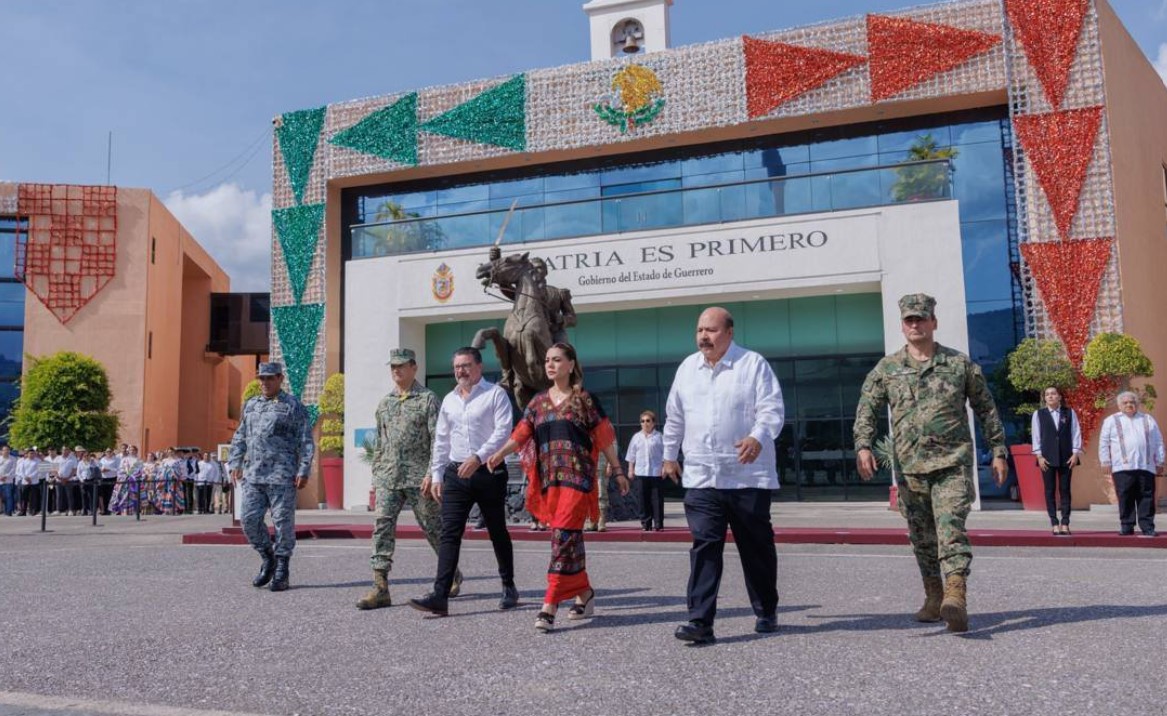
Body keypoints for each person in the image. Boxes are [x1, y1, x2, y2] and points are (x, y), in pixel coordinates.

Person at [854, 293, 1008, 634]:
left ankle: (956, 595)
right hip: (910, 469)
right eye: (909, 319)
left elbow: (986, 408)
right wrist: (863, 445)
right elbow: (868, 406)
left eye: (921, 319)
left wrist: (998, 450)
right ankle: (934, 595)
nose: (915, 324)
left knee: (950, 530)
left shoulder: (958, 364)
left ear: (933, 322)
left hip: (952, 464)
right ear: (902, 325)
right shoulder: (888, 368)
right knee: (922, 538)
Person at [662, 307, 785, 644]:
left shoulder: (753, 364)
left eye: (711, 330)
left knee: (755, 548)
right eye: (700, 330)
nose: (704, 336)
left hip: (746, 476)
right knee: (704, 546)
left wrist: (757, 437)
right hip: (702, 476)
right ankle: (700, 621)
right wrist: (669, 455)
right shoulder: (688, 369)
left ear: (729, 332)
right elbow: (674, 416)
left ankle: (766, 610)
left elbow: (772, 409)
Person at [488, 343, 630, 632]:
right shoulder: (538, 402)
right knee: (568, 539)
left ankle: (549, 604)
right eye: (547, 360)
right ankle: (585, 593)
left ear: (570, 365)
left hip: (578, 481)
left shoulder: (584, 400)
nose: (550, 365)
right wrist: (500, 453)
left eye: (557, 360)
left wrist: (618, 470)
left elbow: (603, 437)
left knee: (562, 536)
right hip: (550, 482)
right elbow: (521, 434)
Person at [409, 347, 518, 617]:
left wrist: (478, 458)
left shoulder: (495, 394)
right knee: (449, 533)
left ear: (479, 367)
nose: (461, 371)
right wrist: (436, 475)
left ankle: (508, 585)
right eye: (457, 366)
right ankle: (440, 595)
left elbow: (503, 431)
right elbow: (442, 439)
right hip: (456, 474)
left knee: (496, 530)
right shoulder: (449, 400)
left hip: (489, 472)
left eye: (466, 365)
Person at [358, 348, 460, 610]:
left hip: (419, 477)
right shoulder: (385, 403)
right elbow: (380, 441)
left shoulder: (427, 400)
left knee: (433, 528)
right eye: (393, 366)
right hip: (389, 478)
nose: (396, 371)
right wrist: (378, 471)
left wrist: (431, 473)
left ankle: (451, 574)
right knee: (382, 525)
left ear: (414, 368)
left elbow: (439, 439)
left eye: (402, 366)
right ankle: (380, 587)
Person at [228, 361, 314, 592]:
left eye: (270, 378)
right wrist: (235, 461)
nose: (265, 382)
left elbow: (305, 440)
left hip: (282, 475)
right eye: (261, 378)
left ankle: (282, 569)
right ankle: (268, 557)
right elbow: (240, 435)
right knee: (249, 520)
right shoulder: (251, 405)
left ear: (280, 379)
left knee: (283, 524)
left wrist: (303, 469)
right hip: (254, 475)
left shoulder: (293, 406)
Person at [1098, 391, 1164, 537]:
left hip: (1145, 466)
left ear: (1137, 404)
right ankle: (1127, 526)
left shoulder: (1147, 419)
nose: (1129, 405)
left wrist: (1160, 461)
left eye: (1132, 402)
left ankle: (1147, 526)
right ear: (1120, 405)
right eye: (1126, 403)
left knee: (1146, 497)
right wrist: (1105, 461)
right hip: (1121, 466)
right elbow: (1104, 443)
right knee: (1125, 496)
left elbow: (1158, 441)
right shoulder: (1111, 420)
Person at [1030, 386, 1082, 535]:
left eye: (1053, 393)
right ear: (1044, 398)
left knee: (1065, 490)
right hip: (1046, 458)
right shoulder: (1038, 414)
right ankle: (1054, 522)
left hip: (1067, 457)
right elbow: (1036, 436)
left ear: (1059, 397)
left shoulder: (1069, 412)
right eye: (1047, 394)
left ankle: (1065, 522)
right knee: (1049, 490)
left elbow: (1076, 433)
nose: (1051, 396)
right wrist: (1039, 456)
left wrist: (1075, 453)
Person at [627, 410, 669, 531]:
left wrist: (664, 468)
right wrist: (630, 469)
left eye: (648, 421)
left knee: (657, 499)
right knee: (642, 499)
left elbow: (665, 454)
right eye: (643, 421)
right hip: (641, 472)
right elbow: (631, 455)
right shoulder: (636, 437)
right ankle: (646, 523)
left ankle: (658, 523)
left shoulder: (659, 437)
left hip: (656, 472)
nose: (645, 423)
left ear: (653, 423)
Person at [17, 448, 44, 516]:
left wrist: (30, 477)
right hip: (25, 482)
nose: (32, 455)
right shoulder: (23, 462)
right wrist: (25, 477)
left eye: (33, 453)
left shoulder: (38, 461)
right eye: (30, 453)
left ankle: (33, 511)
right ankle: (23, 511)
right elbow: (21, 471)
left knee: (34, 497)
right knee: (24, 497)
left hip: (34, 481)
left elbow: (38, 471)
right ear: (27, 454)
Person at [98, 449, 120, 515]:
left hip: (112, 478)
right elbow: (99, 467)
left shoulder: (116, 459)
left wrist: (109, 469)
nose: (108, 453)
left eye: (110, 451)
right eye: (107, 452)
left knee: (111, 494)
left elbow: (118, 469)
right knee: (103, 494)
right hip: (104, 478)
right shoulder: (102, 459)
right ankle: (103, 509)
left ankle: (110, 509)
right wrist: (102, 470)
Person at [0, 446, 15, 516]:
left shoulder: (13, 459)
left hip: (8, 481)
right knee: (3, 497)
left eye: (7, 450)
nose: (6, 451)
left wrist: (6, 476)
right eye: (4, 450)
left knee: (8, 496)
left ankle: (8, 511)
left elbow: (13, 469)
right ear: (1, 451)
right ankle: (3, 510)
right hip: (0, 480)